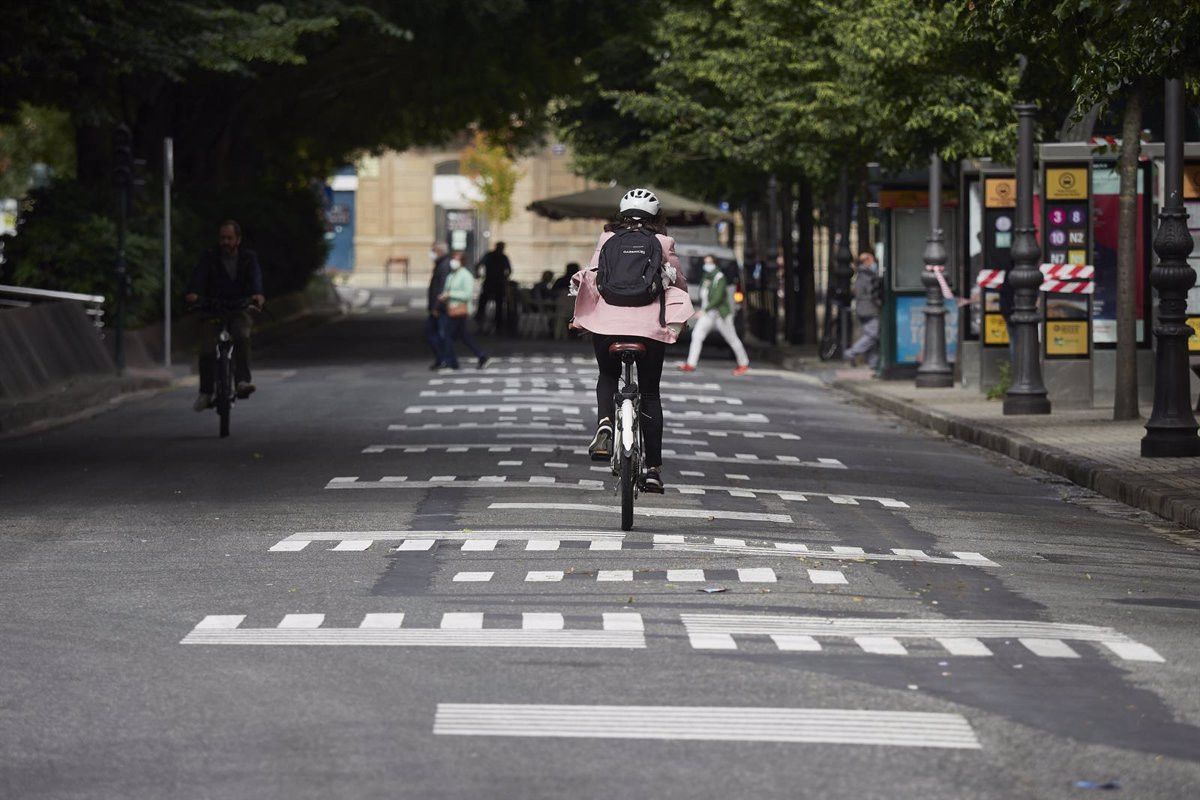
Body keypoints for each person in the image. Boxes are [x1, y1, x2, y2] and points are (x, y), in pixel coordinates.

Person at [570, 188, 694, 493]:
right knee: (650, 393)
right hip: (649, 330)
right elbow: (679, 282)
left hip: (607, 326)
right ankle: (653, 470)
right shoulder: (663, 243)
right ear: (657, 218)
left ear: (621, 216)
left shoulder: (607, 240)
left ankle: (605, 425)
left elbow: (593, 277)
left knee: (607, 375)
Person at [184, 220, 264, 411]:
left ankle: (242, 381)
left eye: (229, 238)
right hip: (213, 307)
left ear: (238, 240)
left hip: (239, 307)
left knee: (242, 337)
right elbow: (198, 277)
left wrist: (257, 295)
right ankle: (205, 392)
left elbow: (256, 279)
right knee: (207, 349)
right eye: (222, 238)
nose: (225, 242)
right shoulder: (209, 256)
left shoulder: (248, 258)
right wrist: (194, 293)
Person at [681, 255, 750, 375]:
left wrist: (705, 309)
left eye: (709, 262)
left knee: (732, 338)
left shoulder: (719, 277)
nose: (706, 265)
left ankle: (743, 363)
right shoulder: (706, 277)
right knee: (697, 335)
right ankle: (691, 364)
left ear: (715, 264)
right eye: (705, 262)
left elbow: (718, 297)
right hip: (709, 314)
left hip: (720, 314)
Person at [438, 251, 491, 371]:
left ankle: (451, 361)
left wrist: (450, 294)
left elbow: (467, 294)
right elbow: (447, 288)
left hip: (460, 309)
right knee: (463, 336)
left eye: (456, 259)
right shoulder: (452, 275)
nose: (453, 262)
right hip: (451, 308)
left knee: (448, 336)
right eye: (453, 259)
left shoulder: (465, 275)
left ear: (462, 261)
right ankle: (481, 355)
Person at [843, 250, 882, 368]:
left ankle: (873, 363)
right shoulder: (866, 275)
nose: (873, 262)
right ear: (865, 262)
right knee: (873, 334)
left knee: (872, 337)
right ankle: (851, 353)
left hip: (865, 309)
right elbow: (871, 292)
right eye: (870, 259)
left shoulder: (863, 275)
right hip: (868, 309)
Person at [425, 243, 452, 369]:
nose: (432, 254)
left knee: (436, 334)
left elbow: (441, 289)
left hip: (439, 308)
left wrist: (436, 307)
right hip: (437, 307)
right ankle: (443, 359)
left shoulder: (444, 265)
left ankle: (443, 359)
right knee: (438, 334)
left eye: (434, 251)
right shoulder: (441, 264)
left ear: (440, 251)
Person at [474, 241, 512, 333]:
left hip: (492, 283)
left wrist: (478, 274)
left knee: (486, 304)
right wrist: (505, 278)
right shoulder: (502, 257)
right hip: (495, 283)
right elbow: (509, 270)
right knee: (494, 305)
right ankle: (494, 326)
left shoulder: (492, 256)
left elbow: (478, 265)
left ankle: (488, 324)